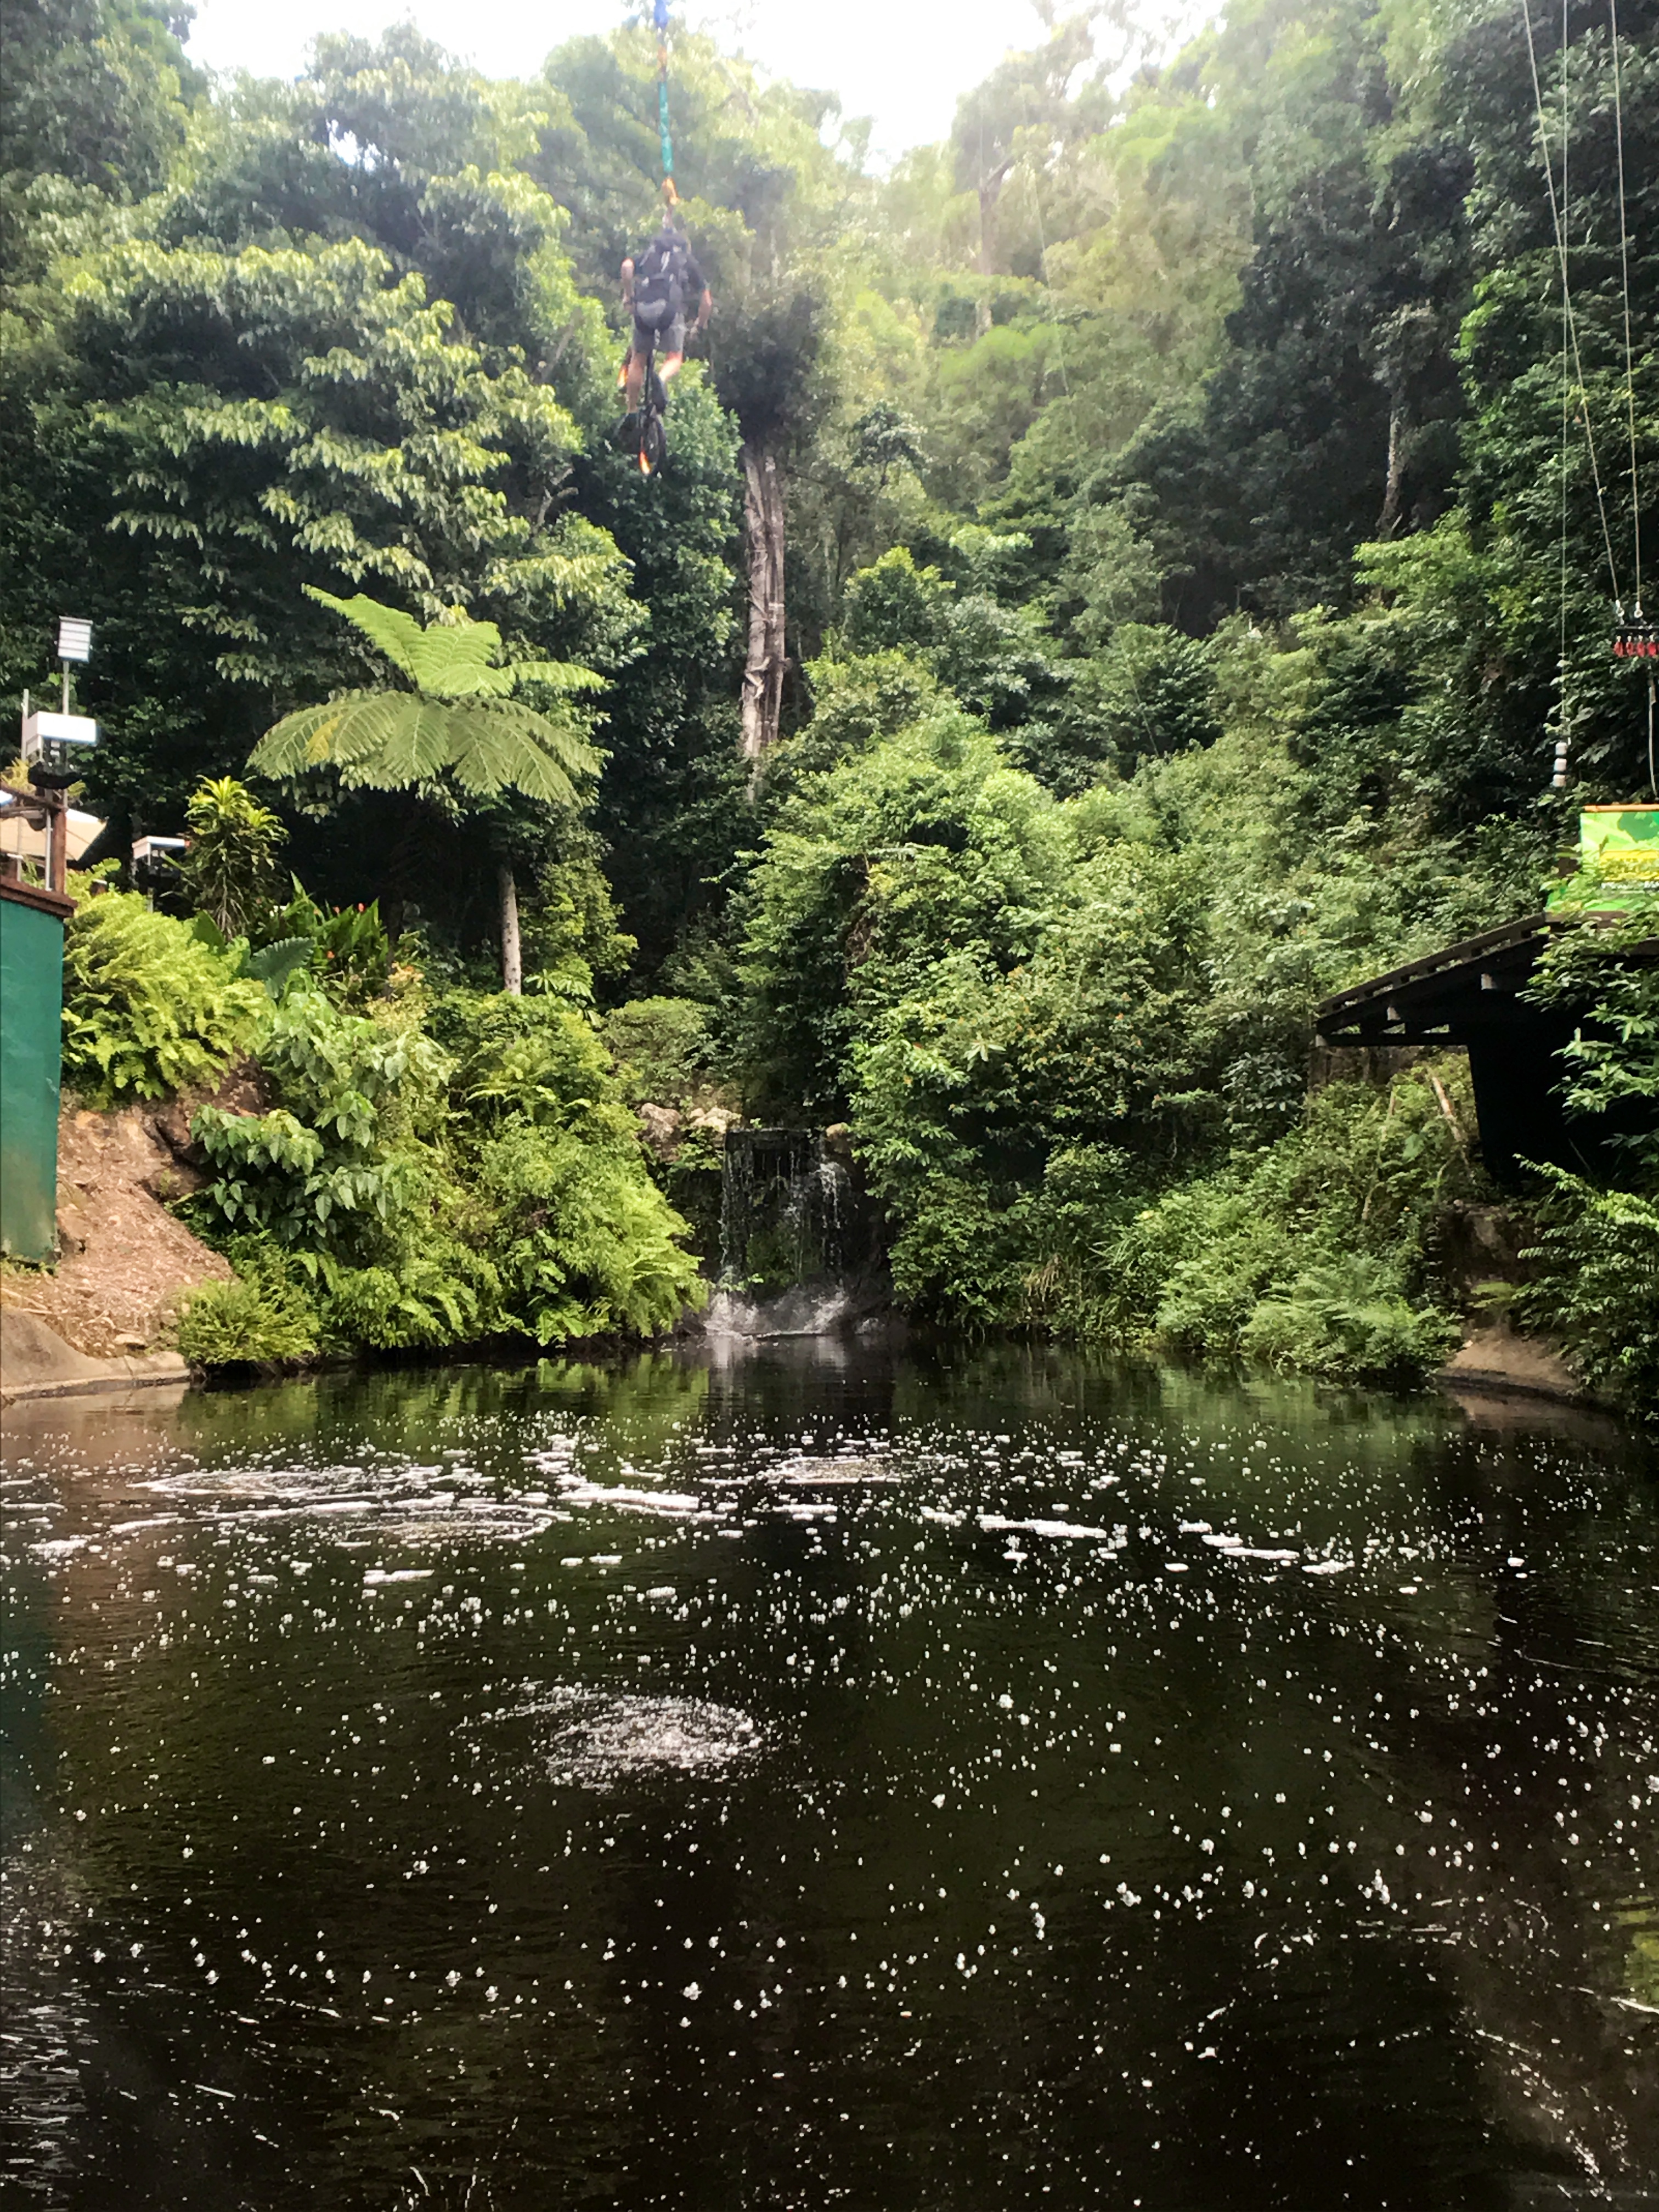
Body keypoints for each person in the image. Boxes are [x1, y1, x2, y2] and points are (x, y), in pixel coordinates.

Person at [619, 211, 710, 427]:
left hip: (643, 307)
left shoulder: (650, 252)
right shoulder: (687, 259)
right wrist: (700, 324)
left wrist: (628, 295)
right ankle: (661, 378)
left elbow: (626, 267)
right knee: (675, 357)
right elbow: (707, 300)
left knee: (638, 359)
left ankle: (631, 410)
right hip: (669, 309)